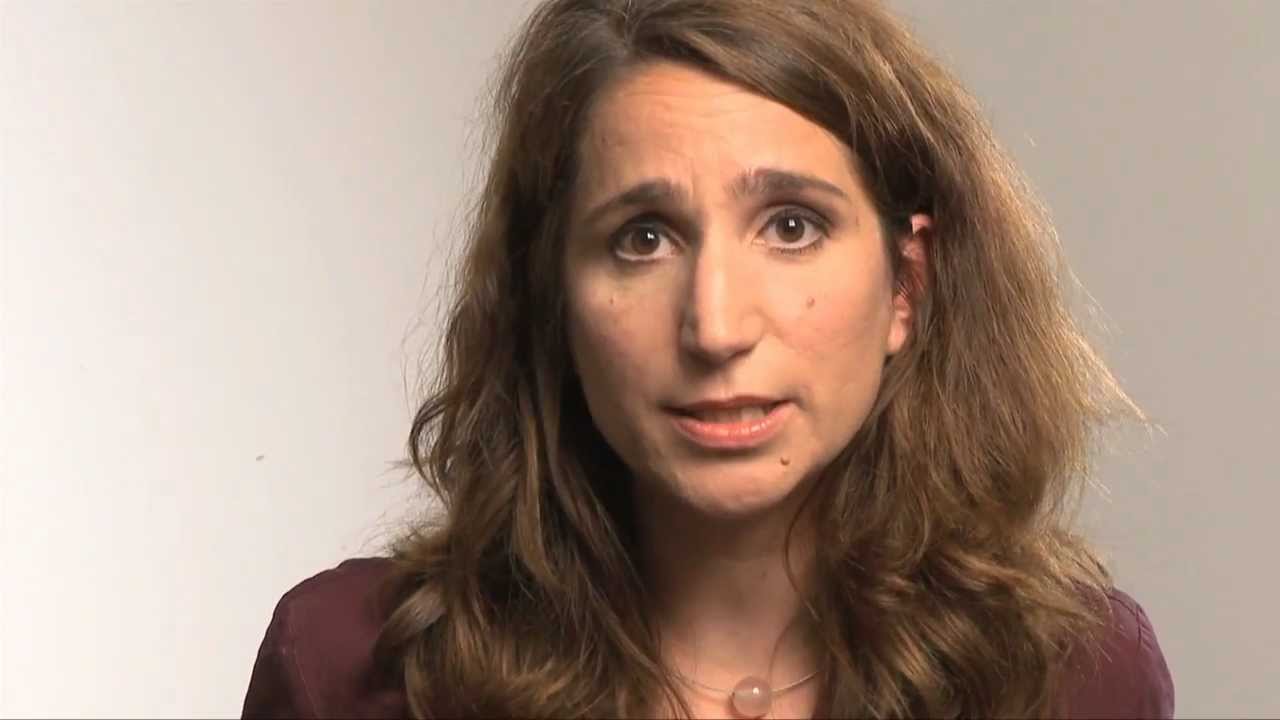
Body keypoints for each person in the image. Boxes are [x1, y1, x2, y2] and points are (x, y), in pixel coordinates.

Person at [242, 0, 1174, 717]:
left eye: (793, 226)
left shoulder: (1075, 680)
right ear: (553, 295)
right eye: (644, 238)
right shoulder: (348, 672)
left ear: (905, 286)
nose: (717, 325)